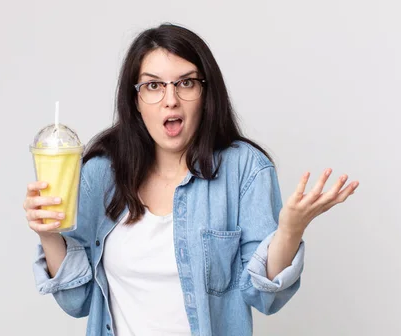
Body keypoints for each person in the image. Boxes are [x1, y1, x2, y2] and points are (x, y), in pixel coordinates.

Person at [23, 23, 359, 336]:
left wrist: (289, 231)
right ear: (136, 100)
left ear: (205, 93)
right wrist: (49, 235)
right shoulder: (101, 173)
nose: (171, 99)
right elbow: (76, 301)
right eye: (153, 85)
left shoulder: (245, 169)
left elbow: (264, 297)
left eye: (186, 83)